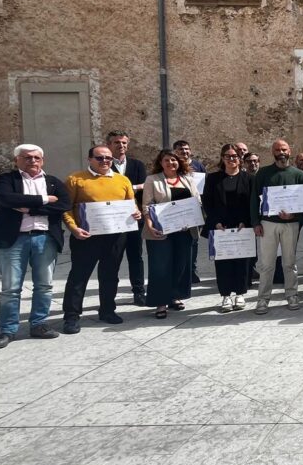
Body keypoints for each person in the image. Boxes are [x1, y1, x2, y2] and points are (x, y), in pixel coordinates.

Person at [0, 144, 71, 350]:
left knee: (44, 285)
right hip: (14, 239)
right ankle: (8, 330)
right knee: (11, 288)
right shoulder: (7, 180)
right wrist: (45, 200)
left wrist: (30, 209)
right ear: (17, 160)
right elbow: (7, 199)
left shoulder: (52, 182)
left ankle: (39, 324)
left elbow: (64, 204)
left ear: (42, 160)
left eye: (36, 158)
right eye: (27, 157)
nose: (32, 161)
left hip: (45, 238)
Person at [61, 145, 142, 333]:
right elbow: (66, 208)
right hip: (86, 236)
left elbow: (132, 204)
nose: (105, 161)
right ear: (89, 159)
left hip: (115, 236)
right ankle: (71, 316)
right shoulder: (75, 179)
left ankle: (107, 310)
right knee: (79, 276)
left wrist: (136, 213)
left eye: (108, 158)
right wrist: (73, 228)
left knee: (110, 275)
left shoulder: (123, 180)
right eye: (99, 158)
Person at [250, 139, 303, 314]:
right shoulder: (263, 173)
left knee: (289, 262)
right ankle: (263, 298)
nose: (281, 152)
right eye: (277, 150)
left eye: (284, 149)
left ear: (289, 151)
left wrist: (294, 215)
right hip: (268, 224)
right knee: (267, 264)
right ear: (272, 152)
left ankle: (292, 294)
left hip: (291, 224)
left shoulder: (298, 174)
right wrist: (256, 222)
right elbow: (254, 199)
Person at [142, 149, 200, 319]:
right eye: (166, 160)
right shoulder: (152, 180)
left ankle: (174, 296)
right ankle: (160, 302)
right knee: (160, 267)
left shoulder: (188, 179)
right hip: (160, 230)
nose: (170, 163)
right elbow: (147, 205)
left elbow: (197, 202)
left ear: (179, 162)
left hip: (184, 231)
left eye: (173, 160)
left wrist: (190, 220)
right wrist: (150, 225)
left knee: (180, 264)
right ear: (160, 163)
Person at [202, 143, 253, 312]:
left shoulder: (248, 179)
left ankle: (240, 294)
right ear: (222, 158)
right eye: (228, 156)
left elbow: (252, 203)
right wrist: (215, 221)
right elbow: (207, 202)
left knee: (242, 262)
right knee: (222, 263)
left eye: (235, 156)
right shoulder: (212, 178)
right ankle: (225, 295)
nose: (232, 159)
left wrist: (245, 221)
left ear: (240, 158)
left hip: (242, 227)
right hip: (220, 227)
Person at [107, 130, 147, 305]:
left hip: (134, 218)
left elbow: (145, 188)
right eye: (116, 142)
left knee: (136, 257)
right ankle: (109, 296)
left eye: (124, 142)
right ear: (109, 145)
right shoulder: (105, 165)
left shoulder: (137, 165)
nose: (121, 145)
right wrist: (134, 187)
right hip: (112, 220)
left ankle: (139, 292)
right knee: (113, 258)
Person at [173, 139, 206, 282]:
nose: (184, 152)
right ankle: (179, 270)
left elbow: (204, 186)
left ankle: (192, 270)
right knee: (178, 240)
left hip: (195, 208)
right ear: (175, 152)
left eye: (186, 149)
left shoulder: (198, 166)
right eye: (181, 149)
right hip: (177, 209)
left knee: (194, 240)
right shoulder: (173, 165)